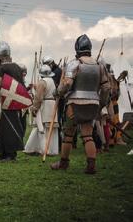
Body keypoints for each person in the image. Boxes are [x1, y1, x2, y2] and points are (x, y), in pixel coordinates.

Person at [51, 34, 110, 174]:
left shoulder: (74, 63)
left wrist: (58, 92)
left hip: (74, 104)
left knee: (69, 135)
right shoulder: (99, 65)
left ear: (77, 48)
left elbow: (66, 84)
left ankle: (63, 164)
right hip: (93, 104)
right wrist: (100, 103)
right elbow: (107, 88)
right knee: (88, 135)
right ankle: (91, 166)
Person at [0, 41, 27, 162]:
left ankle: (9, 154)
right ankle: (4, 153)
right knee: (10, 127)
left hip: (4, 102)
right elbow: (22, 85)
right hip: (14, 102)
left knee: (5, 128)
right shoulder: (17, 68)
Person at [24, 65, 59, 156]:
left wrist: (35, 108)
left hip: (45, 106)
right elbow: (48, 91)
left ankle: (44, 149)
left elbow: (39, 97)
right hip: (52, 104)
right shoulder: (52, 81)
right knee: (48, 129)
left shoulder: (42, 82)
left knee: (41, 128)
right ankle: (48, 149)